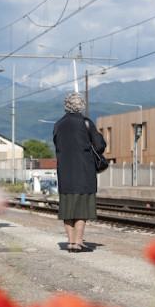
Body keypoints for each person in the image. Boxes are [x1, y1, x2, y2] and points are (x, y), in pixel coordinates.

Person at [53, 92, 106, 252]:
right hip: (84, 171)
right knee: (82, 208)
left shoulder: (58, 124)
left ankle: (69, 242)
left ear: (66, 106)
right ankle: (77, 242)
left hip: (65, 172)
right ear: (81, 106)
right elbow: (99, 146)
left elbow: (57, 144)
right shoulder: (86, 123)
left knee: (67, 208)